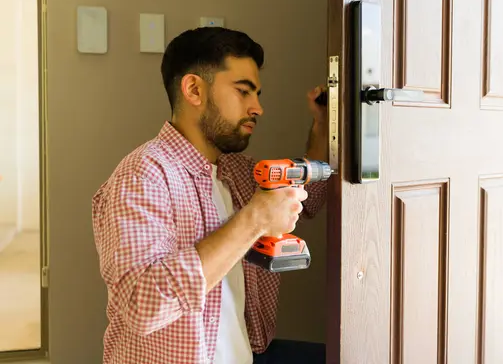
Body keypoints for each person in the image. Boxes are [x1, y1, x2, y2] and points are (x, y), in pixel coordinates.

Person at [91, 26, 328, 364]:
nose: (258, 107)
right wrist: (255, 218)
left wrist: (321, 125)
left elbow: (311, 199)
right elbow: (143, 308)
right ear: (194, 90)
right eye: (243, 92)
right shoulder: (143, 176)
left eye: (257, 94)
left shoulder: (238, 173)